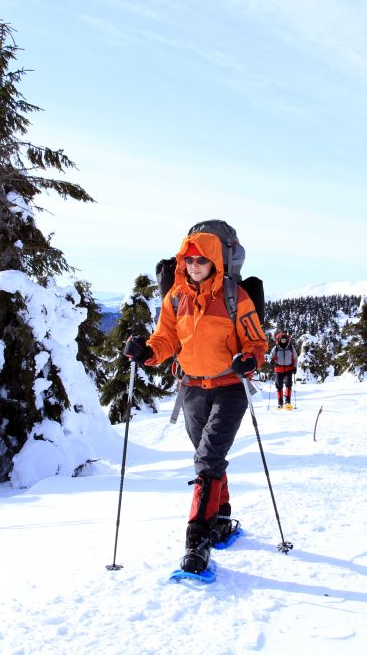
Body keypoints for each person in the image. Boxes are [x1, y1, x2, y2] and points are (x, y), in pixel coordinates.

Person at [124, 231, 268, 575]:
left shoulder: (236, 296)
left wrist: (249, 360)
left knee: (207, 458)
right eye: (188, 259)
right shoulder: (175, 296)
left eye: (201, 259)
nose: (194, 265)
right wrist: (147, 352)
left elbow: (256, 341)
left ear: (215, 261)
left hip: (230, 388)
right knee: (209, 459)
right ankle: (220, 517)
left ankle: (197, 542)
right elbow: (165, 339)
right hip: (191, 388)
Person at [270, 331, 298, 409]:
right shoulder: (275, 348)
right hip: (278, 369)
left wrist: (295, 367)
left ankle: (288, 402)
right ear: (279, 340)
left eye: (284, 340)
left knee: (288, 384)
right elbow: (271, 357)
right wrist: (271, 361)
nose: (283, 341)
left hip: (289, 369)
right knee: (279, 386)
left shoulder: (291, 347)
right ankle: (280, 402)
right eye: (282, 340)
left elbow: (295, 358)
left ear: (286, 340)